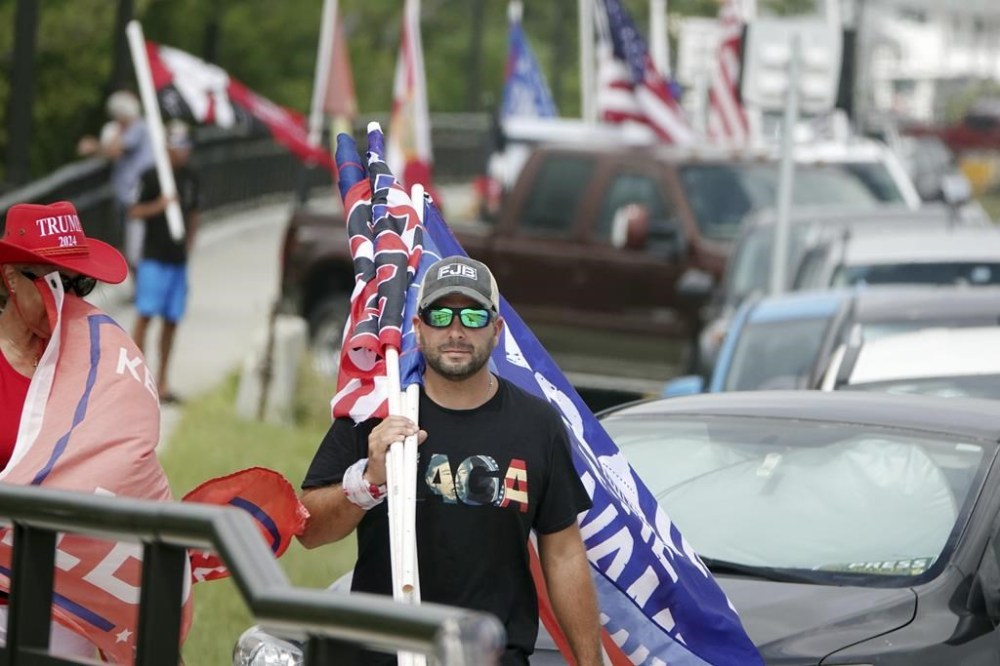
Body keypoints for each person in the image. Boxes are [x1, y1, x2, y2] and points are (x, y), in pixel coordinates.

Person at [298, 256, 603, 666]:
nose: (456, 331)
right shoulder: (376, 415)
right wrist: (368, 482)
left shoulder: (537, 425)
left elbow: (564, 553)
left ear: (496, 331)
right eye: (440, 315)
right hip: (382, 654)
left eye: (473, 316)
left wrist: (590, 662)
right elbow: (309, 529)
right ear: (418, 328)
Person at [0, 201, 177, 660]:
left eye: (80, 284)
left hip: (70, 618)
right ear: (8, 279)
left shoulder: (99, 365)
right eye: (52, 282)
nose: (69, 299)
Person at [128, 119, 200, 404]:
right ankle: (133, 380)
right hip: (153, 258)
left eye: (186, 146)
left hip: (178, 261)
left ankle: (163, 381)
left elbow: (195, 212)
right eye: (177, 145)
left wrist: (190, 244)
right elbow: (133, 210)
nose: (182, 152)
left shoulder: (192, 178)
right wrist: (158, 206)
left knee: (172, 320)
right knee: (145, 316)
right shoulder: (151, 176)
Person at [77, 90, 155, 271]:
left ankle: (141, 289)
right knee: (131, 244)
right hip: (128, 196)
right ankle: (138, 288)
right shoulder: (137, 128)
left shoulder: (138, 128)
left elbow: (115, 150)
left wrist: (93, 146)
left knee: (135, 247)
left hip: (136, 196)